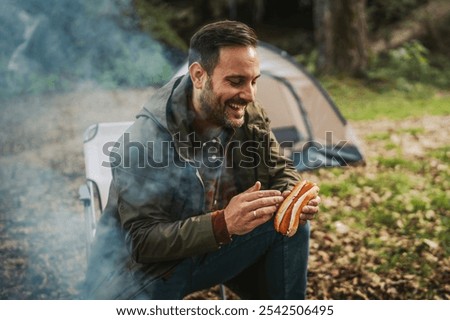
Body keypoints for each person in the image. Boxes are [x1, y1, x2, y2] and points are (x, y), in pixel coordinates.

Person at [84, 20, 320, 300]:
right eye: (236, 81)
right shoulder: (143, 141)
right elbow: (142, 242)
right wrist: (223, 224)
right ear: (198, 75)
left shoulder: (246, 113)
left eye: (254, 81)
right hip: (143, 273)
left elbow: (277, 168)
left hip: (212, 251)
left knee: (291, 227)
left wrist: (293, 195)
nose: (249, 95)